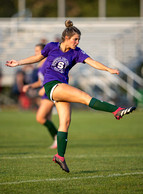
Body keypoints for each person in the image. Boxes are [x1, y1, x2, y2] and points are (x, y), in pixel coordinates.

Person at [6, 20, 136, 173]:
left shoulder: (77, 52)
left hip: (62, 87)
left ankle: (60, 156)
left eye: (79, 39)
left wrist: (108, 69)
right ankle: (116, 111)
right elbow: (37, 58)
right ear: (66, 38)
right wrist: (18, 62)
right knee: (84, 96)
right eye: (75, 39)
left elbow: (92, 62)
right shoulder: (51, 47)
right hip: (52, 85)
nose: (77, 42)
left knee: (65, 122)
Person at [23, 43, 57, 149]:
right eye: (35, 51)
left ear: (44, 51)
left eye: (38, 51)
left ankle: (58, 138)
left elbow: (54, 76)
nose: (36, 53)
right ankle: (57, 141)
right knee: (47, 119)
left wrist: (44, 88)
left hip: (49, 93)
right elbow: (40, 81)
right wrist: (30, 86)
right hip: (45, 94)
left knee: (40, 118)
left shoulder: (48, 62)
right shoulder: (40, 65)